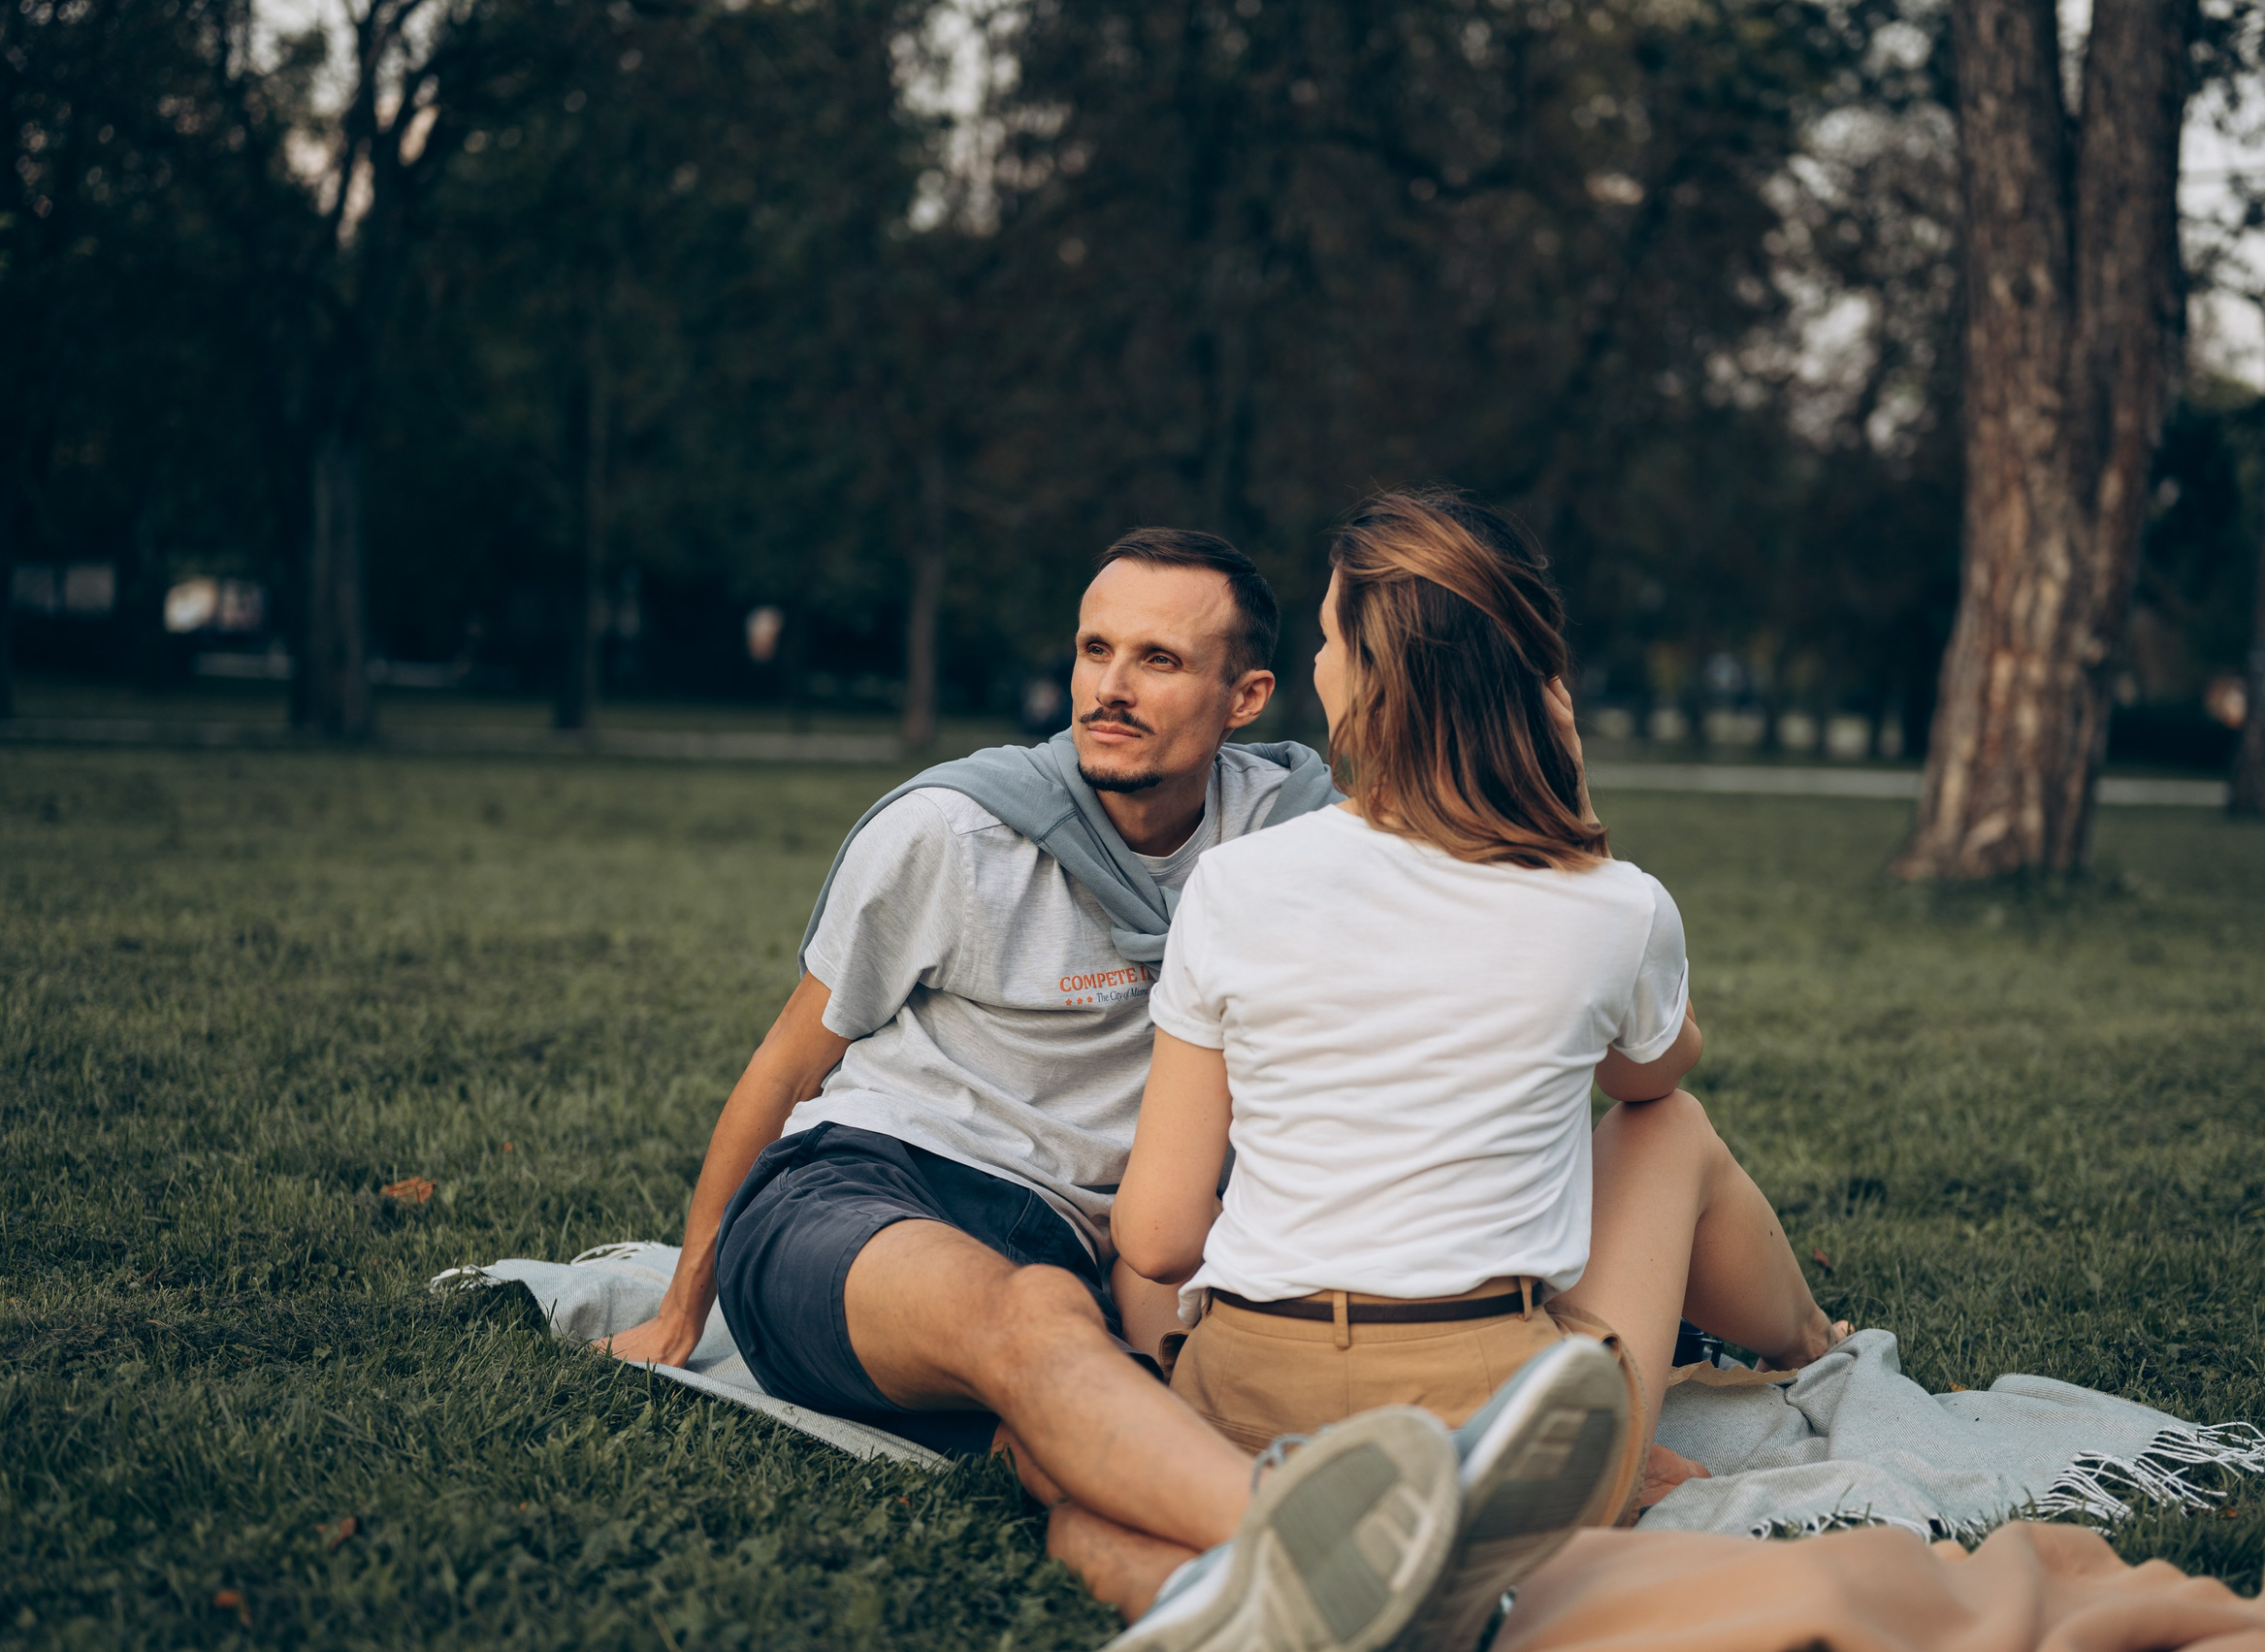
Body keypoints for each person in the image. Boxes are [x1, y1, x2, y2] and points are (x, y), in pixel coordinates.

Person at [602, 529, 1532, 1648]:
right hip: (858, 1195)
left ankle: (1332, 1623)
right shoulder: (953, 829)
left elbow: (1477, 844)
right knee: (1038, 1316)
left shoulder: (1286, 833)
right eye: (1096, 650)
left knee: (1081, 1452)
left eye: (1158, 660)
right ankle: (1335, 1545)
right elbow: (791, 1062)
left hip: (1087, 1256)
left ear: (1246, 696)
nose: (1110, 688)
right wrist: (681, 1301)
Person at [1110, 490, 1847, 1649]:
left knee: (1082, 1511)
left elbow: (1154, 1236)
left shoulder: (1235, 885)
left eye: (1325, 638)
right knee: (1674, 1129)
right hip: (1503, 1414)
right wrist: (1577, 818)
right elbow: (1655, 1075)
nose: (1313, 659)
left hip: (1247, 1396)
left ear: (1369, 679)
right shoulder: (1612, 906)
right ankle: (1809, 1345)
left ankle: (1243, 1575)